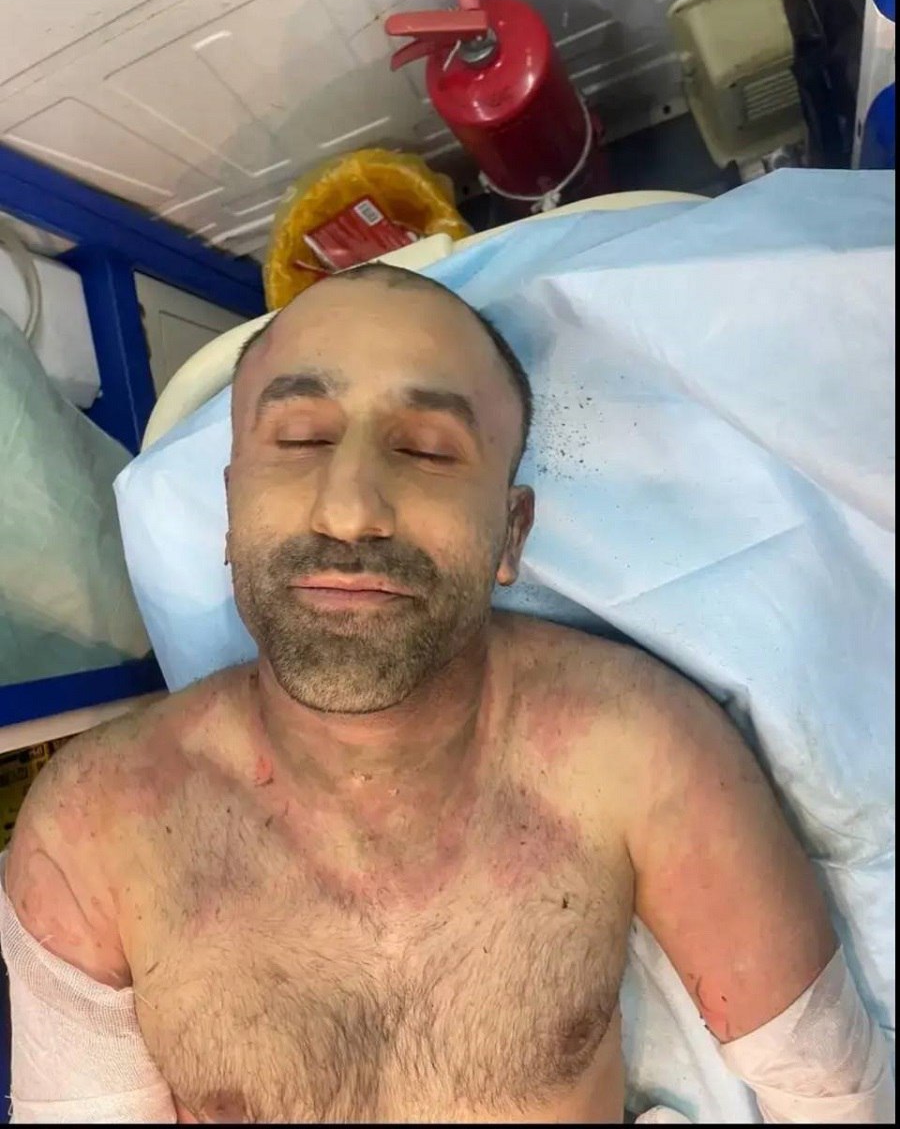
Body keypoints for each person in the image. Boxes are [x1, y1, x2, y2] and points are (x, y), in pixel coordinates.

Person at [0, 264, 891, 1125]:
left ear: (510, 534)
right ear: (231, 512)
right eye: (301, 440)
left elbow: (830, 1095)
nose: (349, 511)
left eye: (426, 450)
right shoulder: (89, 830)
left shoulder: (640, 751)